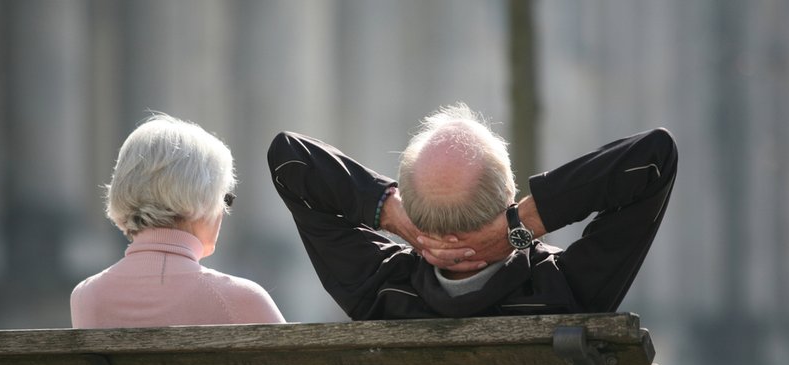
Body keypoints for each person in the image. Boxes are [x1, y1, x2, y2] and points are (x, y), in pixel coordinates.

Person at [268, 103, 677, 319]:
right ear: (510, 192)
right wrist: (522, 226)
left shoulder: (380, 291)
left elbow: (291, 161)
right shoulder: (567, 288)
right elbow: (654, 158)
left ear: (414, 208)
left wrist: (393, 215)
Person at [71, 114, 285, 328]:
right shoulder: (241, 298)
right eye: (225, 198)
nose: (224, 211)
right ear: (203, 197)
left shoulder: (85, 296)